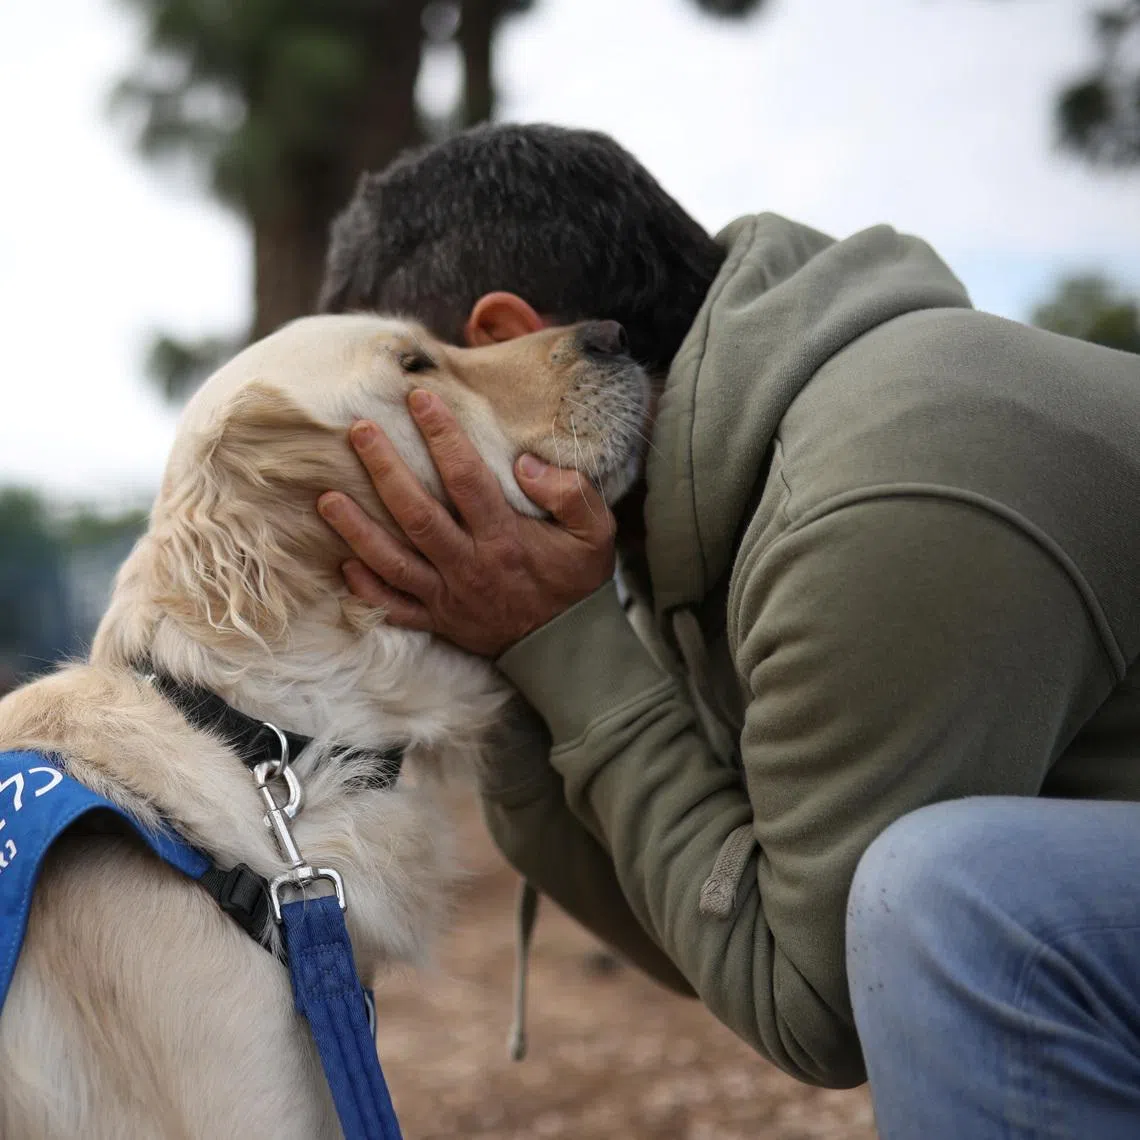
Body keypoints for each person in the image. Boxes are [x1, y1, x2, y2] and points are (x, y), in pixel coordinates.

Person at [313, 123, 1140, 1130]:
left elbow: (816, 1008)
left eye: (397, 423)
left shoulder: (865, 505)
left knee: (950, 905)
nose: (391, 490)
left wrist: (561, 642)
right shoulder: (704, 500)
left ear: (497, 344)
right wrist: (514, 663)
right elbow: (718, 930)